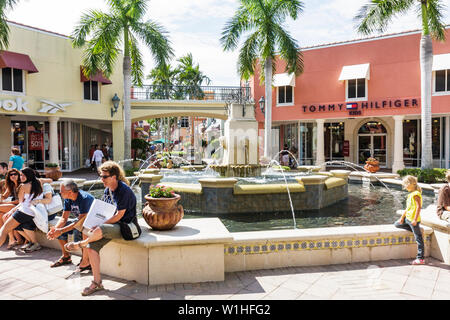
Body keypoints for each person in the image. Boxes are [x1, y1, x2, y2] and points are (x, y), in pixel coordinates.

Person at [65, 161, 140, 296]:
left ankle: (80, 244)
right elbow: (105, 211)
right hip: (113, 226)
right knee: (91, 248)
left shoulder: (123, 190)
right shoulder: (108, 190)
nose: (102, 179)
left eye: (105, 176)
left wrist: (100, 225)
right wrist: (96, 221)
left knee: (97, 231)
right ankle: (97, 283)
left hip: (126, 227)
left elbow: (119, 216)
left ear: (114, 177)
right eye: (101, 176)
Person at [47, 179, 94, 270]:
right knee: (60, 229)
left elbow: (81, 221)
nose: (60, 193)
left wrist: (60, 230)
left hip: (90, 221)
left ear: (70, 192)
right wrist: (55, 230)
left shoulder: (84, 198)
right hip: (80, 220)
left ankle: (86, 261)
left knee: (80, 232)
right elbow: (64, 218)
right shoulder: (68, 199)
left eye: (61, 192)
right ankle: (66, 256)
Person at [0, 167, 44, 252]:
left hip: (24, 212)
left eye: (23, 175)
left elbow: (21, 202)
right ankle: (34, 243)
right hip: (33, 211)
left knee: (4, 230)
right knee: (14, 225)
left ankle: (14, 240)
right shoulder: (38, 182)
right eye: (21, 175)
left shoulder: (23, 186)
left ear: (28, 175)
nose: (21, 177)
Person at [395, 175, 425, 265]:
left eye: (406, 185)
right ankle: (416, 230)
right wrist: (402, 217)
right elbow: (407, 208)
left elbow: (418, 207)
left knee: (418, 239)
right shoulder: (410, 194)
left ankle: (420, 258)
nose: (405, 187)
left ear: (411, 184)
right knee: (396, 224)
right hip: (408, 219)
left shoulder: (416, 194)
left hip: (413, 220)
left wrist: (415, 219)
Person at [0, 169, 22, 249]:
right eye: (11, 175)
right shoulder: (11, 185)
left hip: (20, 206)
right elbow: (4, 196)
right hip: (14, 206)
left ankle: (10, 238)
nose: (13, 176)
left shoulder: (21, 185)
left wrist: (4, 203)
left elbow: (20, 201)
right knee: (2, 215)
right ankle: (13, 239)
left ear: (18, 175)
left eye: (15, 174)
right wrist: (1, 196)